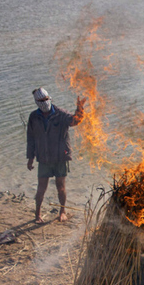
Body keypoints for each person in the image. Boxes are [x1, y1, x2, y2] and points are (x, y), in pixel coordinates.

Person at [26, 87, 86, 223]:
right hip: (44, 158)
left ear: (50, 98)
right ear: (36, 102)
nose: (44, 102)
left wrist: (80, 108)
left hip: (60, 157)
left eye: (46, 99)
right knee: (41, 188)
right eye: (41, 100)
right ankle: (37, 215)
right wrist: (30, 159)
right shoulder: (34, 117)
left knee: (61, 186)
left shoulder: (60, 114)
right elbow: (31, 138)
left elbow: (75, 121)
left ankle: (62, 211)